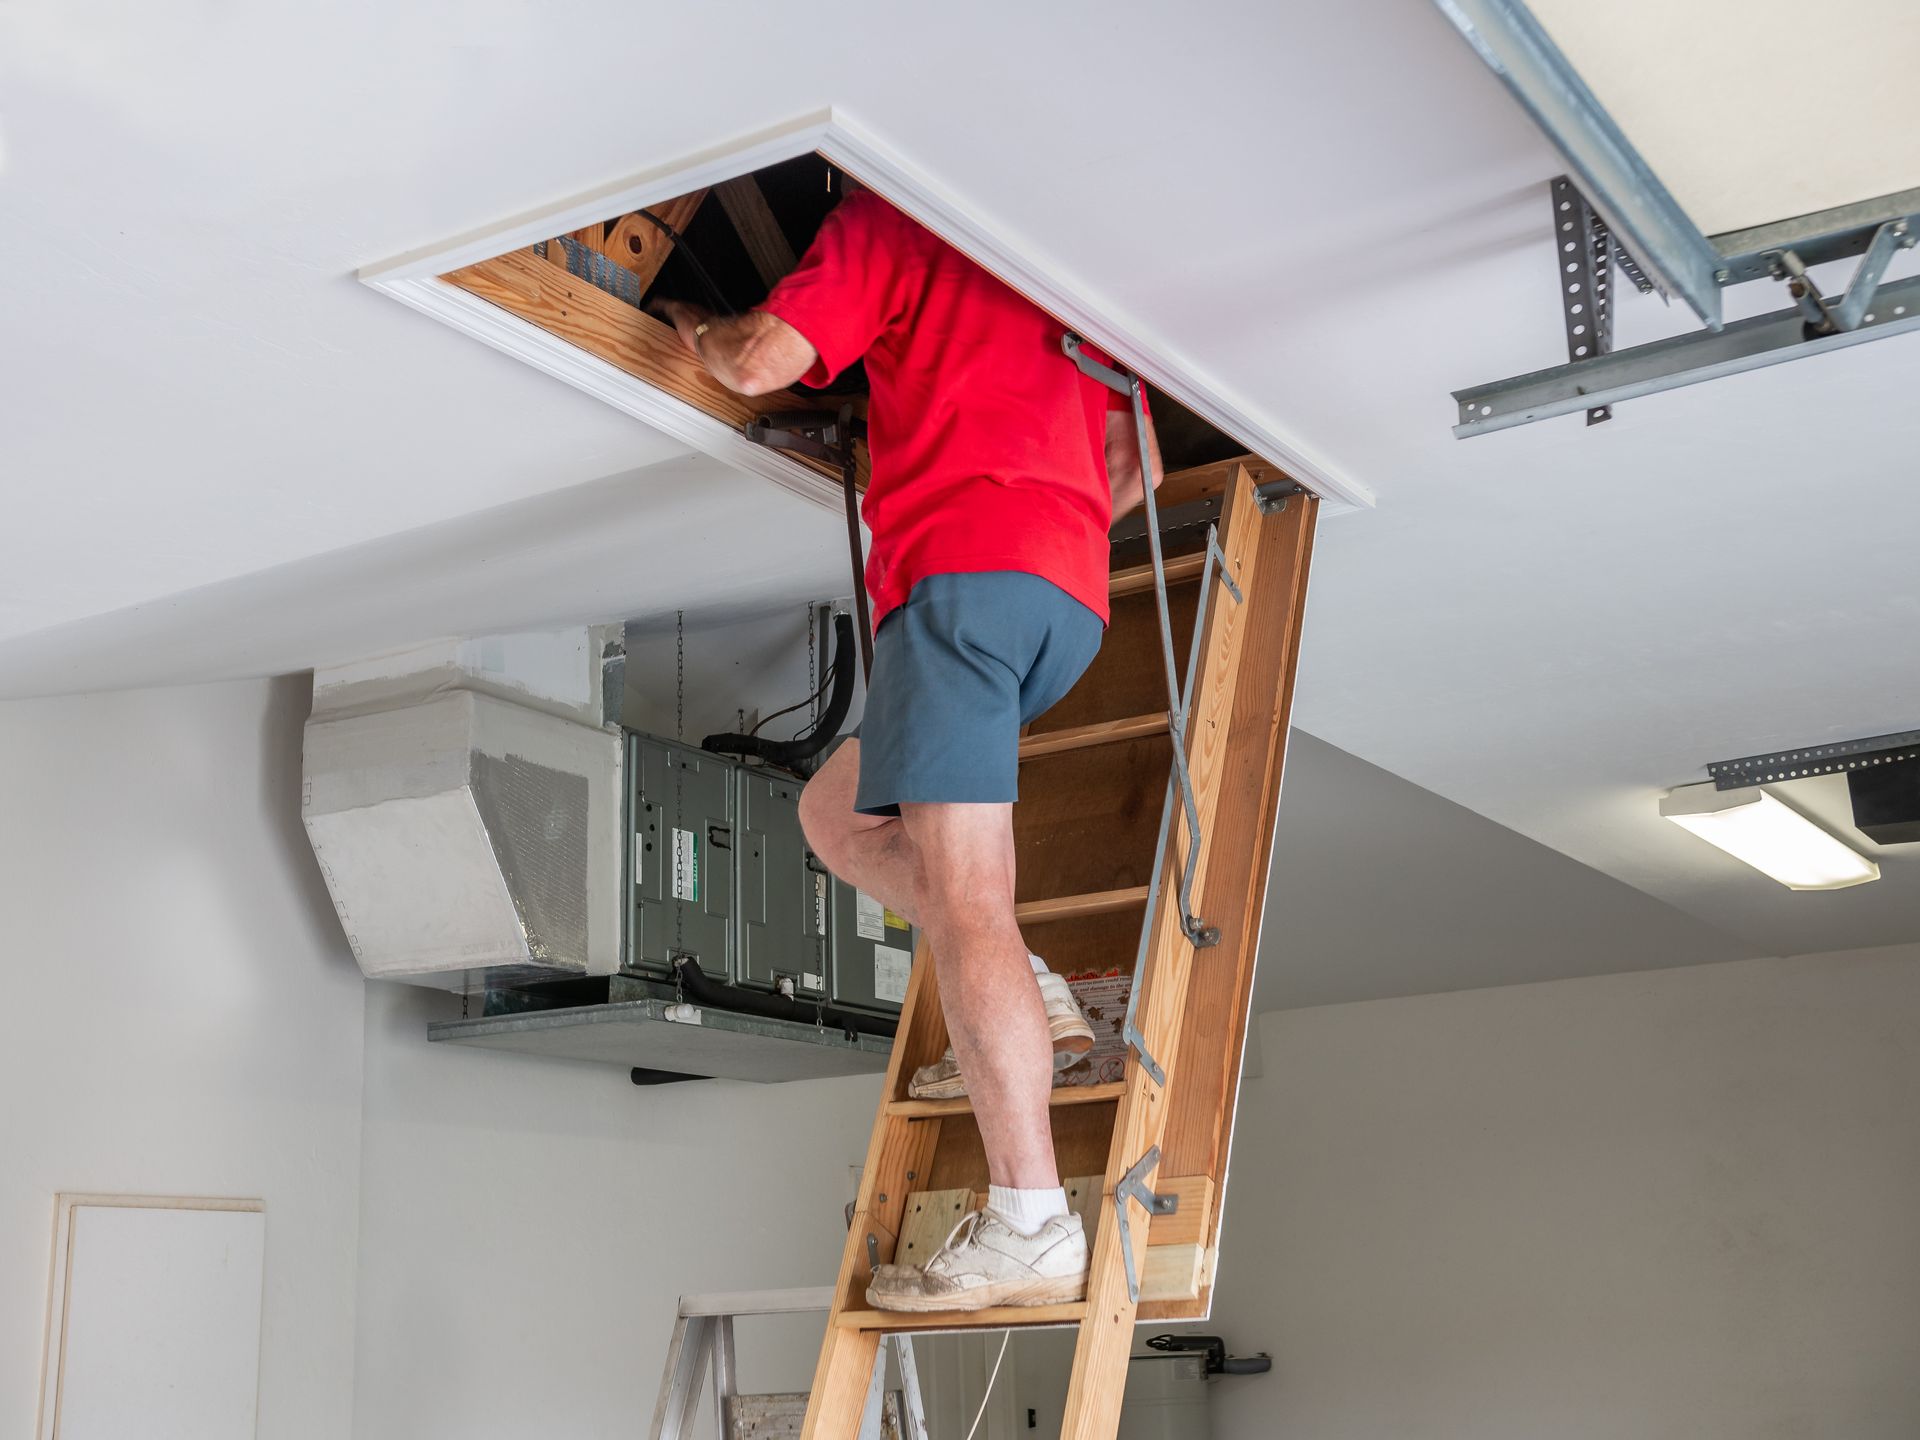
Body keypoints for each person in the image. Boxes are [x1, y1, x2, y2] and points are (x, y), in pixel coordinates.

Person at [656, 185, 1161, 1312]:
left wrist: (696, 326)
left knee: (970, 901)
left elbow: (757, 360)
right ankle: (1023, 985)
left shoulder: (901, 218)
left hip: (964, 587)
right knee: (834, 812)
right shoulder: (1069, 255)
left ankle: (1032, 1221)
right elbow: (1139, 468)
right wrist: (1043, 526)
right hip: (1063, 608)